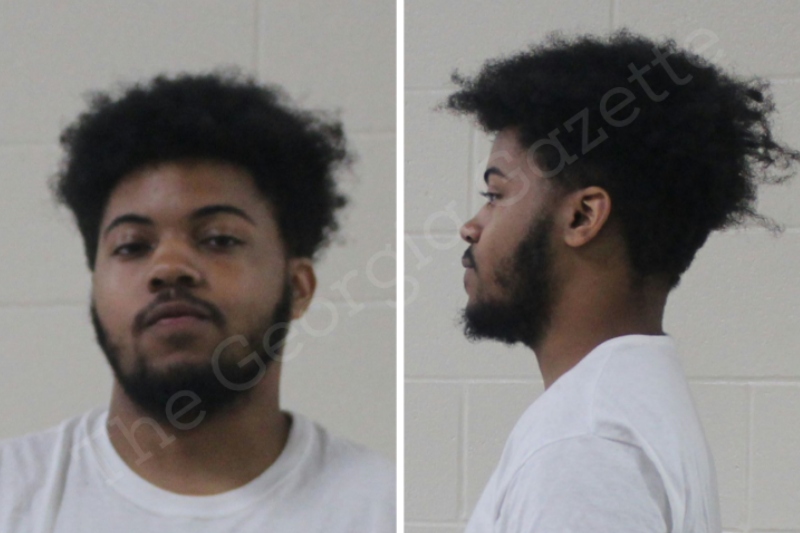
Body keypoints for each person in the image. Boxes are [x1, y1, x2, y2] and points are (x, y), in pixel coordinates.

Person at [0, 73, 395, 532]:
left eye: (219, 239)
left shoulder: (382, 507)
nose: (169, 267)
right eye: (131, 246)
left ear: (298, 287)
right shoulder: (13, 494)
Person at [447, 31, 798, 532]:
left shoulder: (584, 445)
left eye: (496, 195)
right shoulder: (630, 407)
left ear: (582, 217)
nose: (471, 227)